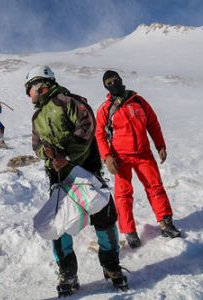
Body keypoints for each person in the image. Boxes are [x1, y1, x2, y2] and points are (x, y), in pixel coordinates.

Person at [25, 65, 128, 296]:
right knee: (59, 225)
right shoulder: (37, 116)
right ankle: (68, 273)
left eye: (29, 89)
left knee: (105, 216)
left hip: (86, 171)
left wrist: (67, 155)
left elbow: (86, 126)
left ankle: (111, 266)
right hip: (58, 178)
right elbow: (36, 145)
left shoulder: (68, 101)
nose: (28, 95)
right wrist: (47, 153)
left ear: (40, 85)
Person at [95, 70, 181, 249]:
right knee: (123, 194)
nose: (113, 84)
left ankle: (166, 222)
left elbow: (153, 123)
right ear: (105, 86)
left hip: (143, 153)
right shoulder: (105, 109)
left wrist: (160, 146)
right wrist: (107, 157)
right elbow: (99, 134)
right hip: (120, 157)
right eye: (109, 82)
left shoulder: (138, 101)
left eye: (115, 80)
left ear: (120, 79)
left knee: (155, 187)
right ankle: (129, 232)